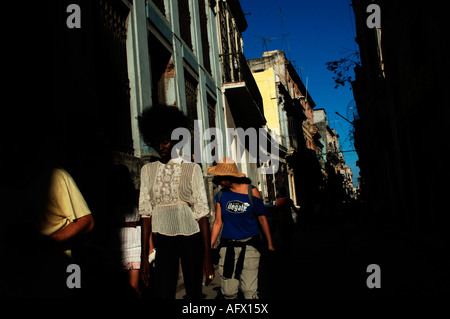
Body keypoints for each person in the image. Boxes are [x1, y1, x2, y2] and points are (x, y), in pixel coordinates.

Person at [138, 104, 214, 299]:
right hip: (162, 239)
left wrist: (207, 256)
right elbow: (145, 213)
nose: (161, 147)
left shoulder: (192, 169)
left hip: (191, 238)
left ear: (175, 140)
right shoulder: (147, 170)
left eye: (165, 141)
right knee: (163, 291)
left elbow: (202, 214)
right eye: (156, 142)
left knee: (194, 292)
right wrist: (143, 257)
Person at [208, 157, 275, 299]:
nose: (217, 180)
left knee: (249, 291)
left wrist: (270, 244)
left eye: (220, 177)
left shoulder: (252, 192)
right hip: (228, 248)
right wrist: (210, 246)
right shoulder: (221, 195)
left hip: (250, 246)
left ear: (228, 177)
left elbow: (262, 219)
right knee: (228, 292)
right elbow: (218, 222)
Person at [107, 164, 142, 297]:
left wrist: (150, 246)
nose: (119, 180)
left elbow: (145, 220)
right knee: (119, 287)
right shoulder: (110, 198)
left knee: (134, 287)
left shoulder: (135, 195)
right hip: (116, 243)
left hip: (135, 241)